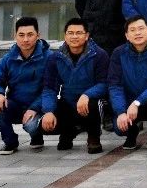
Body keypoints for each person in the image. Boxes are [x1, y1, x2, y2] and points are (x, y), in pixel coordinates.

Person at [39, 18, 109, 153]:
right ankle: (68, 132)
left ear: (87, 35)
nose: (74, 36)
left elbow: (104, 84)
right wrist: (48, 111)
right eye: (70, 33)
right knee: (45, 124)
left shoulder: (99, 55)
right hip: (68, 101)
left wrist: (86, 95)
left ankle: (93, 136)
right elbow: (49, 88)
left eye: (79, 33)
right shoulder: (55, 58)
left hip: (91, 101)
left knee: (94, 104)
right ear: (65, 36)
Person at [107, 16, 147, 153]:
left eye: (141, 28)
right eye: (132, 30)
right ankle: (131, 134)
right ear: (127, 36)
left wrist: (138, 102)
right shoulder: (118, 53)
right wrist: (120, 112)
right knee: (119, 127)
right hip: (127, 103)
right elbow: (115, 85)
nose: (137, 33)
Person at [0, 16, 50, 154]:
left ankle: (36, 136)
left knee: (31, 126)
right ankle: (10, 141)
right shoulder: (8, 58)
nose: (25, 39)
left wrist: (34, 108)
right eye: (21, 35)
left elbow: (51, 88)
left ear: (38, 35)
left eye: (30, 35)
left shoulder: (49, 57)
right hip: (16, 105)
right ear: (15, 36)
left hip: (39, 107)